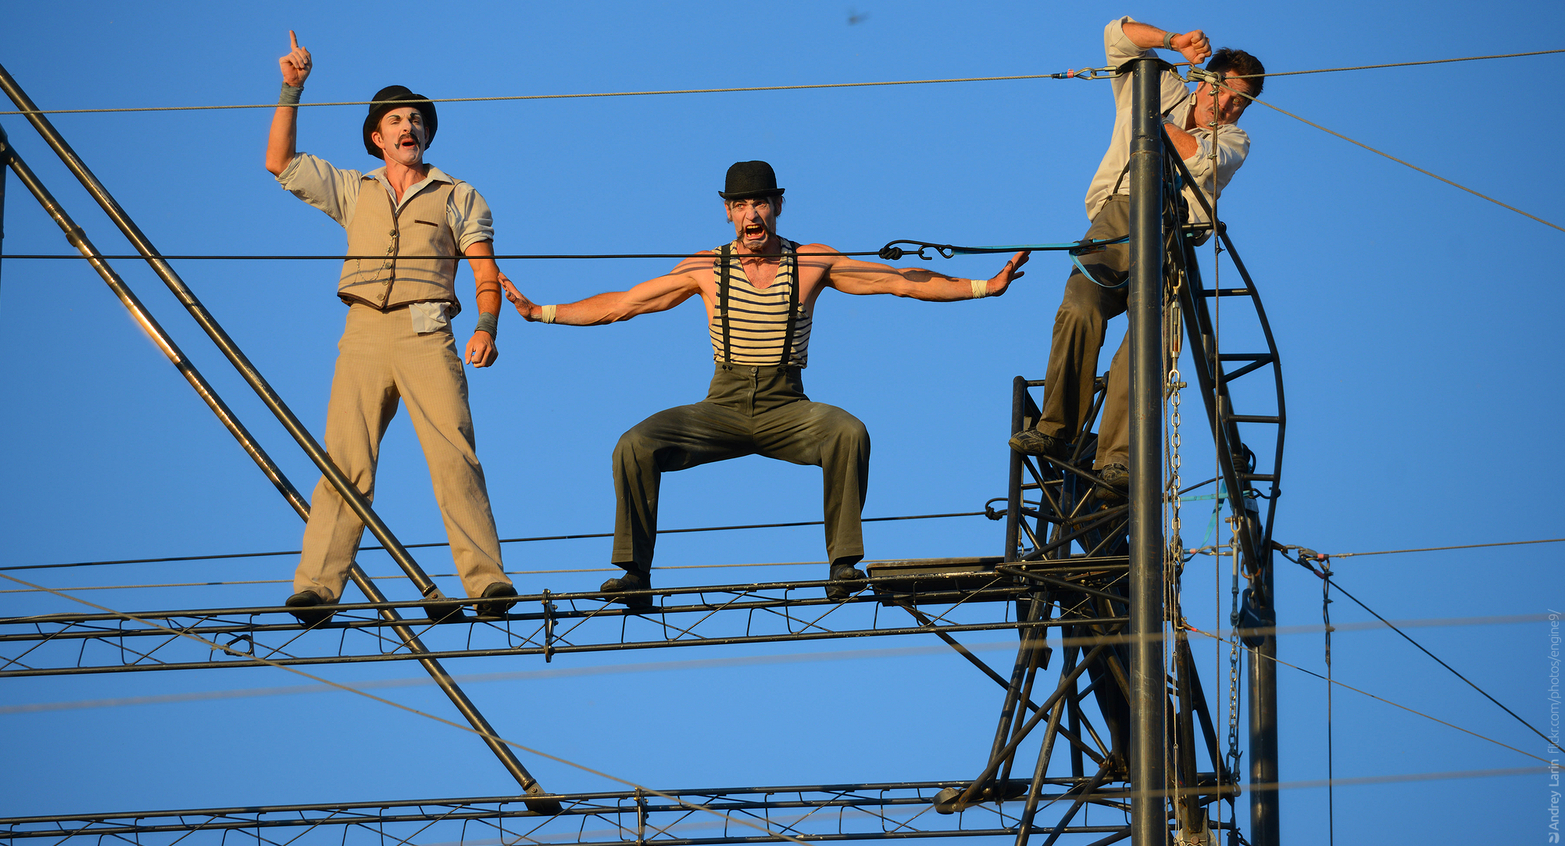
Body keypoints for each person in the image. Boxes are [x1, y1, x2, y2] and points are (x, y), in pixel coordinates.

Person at [498, 160, 1029, 608]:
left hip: (786, 406)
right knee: (636, 444)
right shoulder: (706, 267)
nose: (752, 214)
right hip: (722, 405)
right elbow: (625, 304)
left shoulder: (811, 261)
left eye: (761, 203)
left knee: (848, 432)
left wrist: (984, 286)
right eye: (741, 205)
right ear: (728, 211)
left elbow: (899, 281)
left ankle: (843, 565)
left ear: (777, 205)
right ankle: (635, 576)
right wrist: (543, 312)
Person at [265, 31, 517, 625]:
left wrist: (487, 326)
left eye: (416, 120)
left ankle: (487, 583)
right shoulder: (355, 190)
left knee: (455, 456)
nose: (408, 127)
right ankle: (319, 589)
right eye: (395, 120)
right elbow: (279, 163)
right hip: (362, 333)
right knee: (343, 462)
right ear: (377, 138)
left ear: (426, 134)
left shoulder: (459, 194)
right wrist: (291, 89)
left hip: (428, 332)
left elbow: (485, 270)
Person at [1009, 17, 1265, 492]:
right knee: (1080, 307)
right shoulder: (1159, 85)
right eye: (1224, 92)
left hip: (1174, 234)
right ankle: (1055, 431)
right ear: (1206, 79)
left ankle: (1118, 457)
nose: (1227, 107)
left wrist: (1152, 122)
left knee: (1143, 344)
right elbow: (1117, 36)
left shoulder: (1235, 141)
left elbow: (1200, 157)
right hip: (1118, 215)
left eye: (1241, 103)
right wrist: (1174, 43)